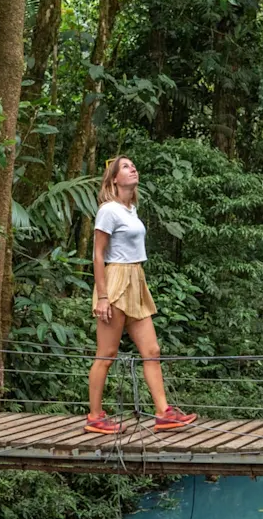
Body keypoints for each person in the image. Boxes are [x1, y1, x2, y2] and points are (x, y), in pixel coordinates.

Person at [84, 155, 198, 434]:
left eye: (133, 165)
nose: (133, 168)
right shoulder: (108, 210)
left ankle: (163, 413)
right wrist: (102, 296)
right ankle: (95, 417)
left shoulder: (130, 210)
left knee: (152, 351)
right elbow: (98, 255)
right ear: (114, 179)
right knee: (107, 353)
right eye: (125, 166)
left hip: (136, 279)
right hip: (116, 280)